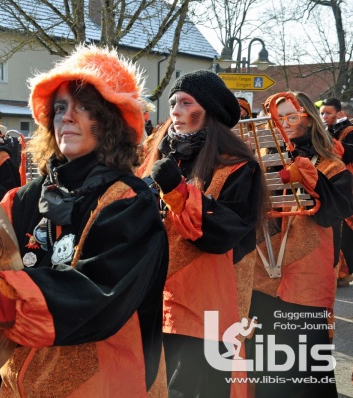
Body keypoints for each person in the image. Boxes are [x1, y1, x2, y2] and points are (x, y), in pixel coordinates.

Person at [0, 44, 168, 397]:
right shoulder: (23, 199)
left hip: (103, 386)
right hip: (15, 383)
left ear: (110, 121)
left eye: (84, 107)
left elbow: (99, 297)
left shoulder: (130, 202)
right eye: (60, 107)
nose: (66, 116)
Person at [142, 70, 266, 397]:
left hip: (202, 311)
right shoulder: (163, 158)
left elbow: (223, 232)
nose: (175, 112)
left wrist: (176, 191)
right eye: (172, 104)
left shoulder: (240, 166)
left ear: (208, 111)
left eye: (186, 103)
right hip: (153, 303)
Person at [250, 91, 353, 397]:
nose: (285, 123)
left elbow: (337, 210)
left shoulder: (331, 164)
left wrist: (308, 176)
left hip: (308, 276)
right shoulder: (263, 161)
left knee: (307, 365)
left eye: (291, 116)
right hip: (263, 276)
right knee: (266, 364)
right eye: (278, 118)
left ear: (308, 119)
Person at [319, 98, 353, 286]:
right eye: (322, 113)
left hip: (345, 184)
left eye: (328, 113)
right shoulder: (327, 130)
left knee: (345, 230)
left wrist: (335, 146)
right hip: (330, 182)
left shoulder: (348, 131)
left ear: (340, 113)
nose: (324, 117)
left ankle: (343, 272)